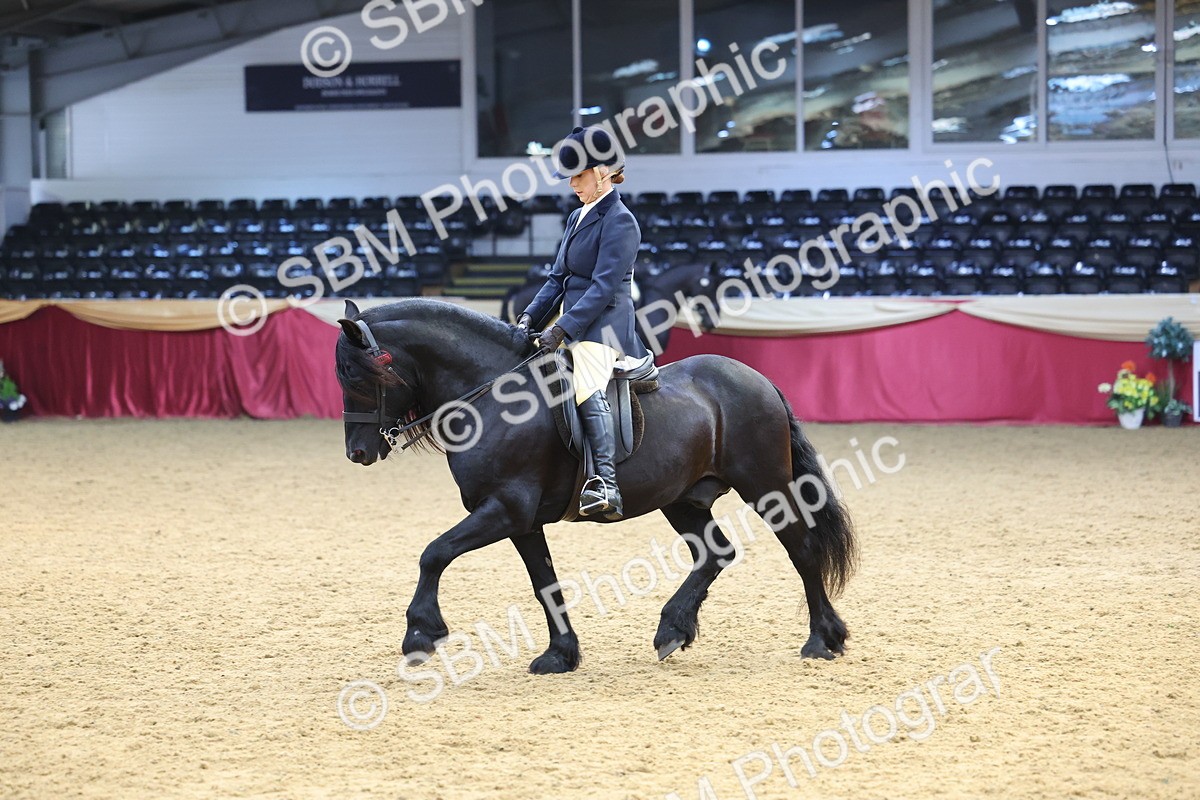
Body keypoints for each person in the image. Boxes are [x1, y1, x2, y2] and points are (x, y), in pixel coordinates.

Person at [517, 125, 651, 521]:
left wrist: (562, 329)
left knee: (586, 384)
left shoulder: (621, 221)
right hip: (574, 321)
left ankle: (605, 484)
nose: (573, 184)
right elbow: (557, 279)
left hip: (605, 326)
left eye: (580, 175)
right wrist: (529, 318)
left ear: (604, 171)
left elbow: (604, 287)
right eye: (571, 177)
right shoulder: (578, 216)